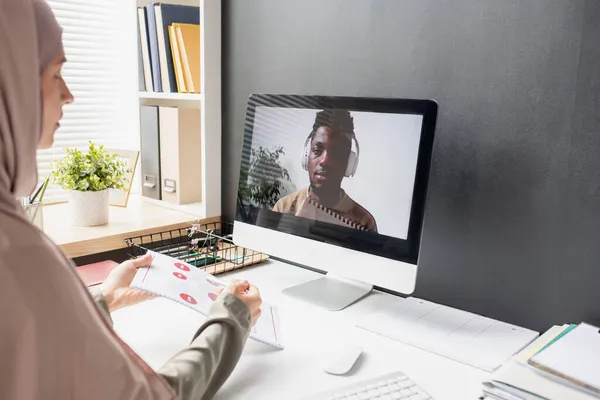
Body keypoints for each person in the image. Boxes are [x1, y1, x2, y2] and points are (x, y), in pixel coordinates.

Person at [0, 1, 262, 399]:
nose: (68, 95)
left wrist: (101, 300)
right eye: (56, 73)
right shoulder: (17, 252)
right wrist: (231, 318)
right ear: (12, 83)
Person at [272, 109, 377, 232]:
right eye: (317, 150)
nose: (325, 161)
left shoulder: (365, 222)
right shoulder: (283, 207)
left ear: (348, 164)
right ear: (306, 155)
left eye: (336, 154)